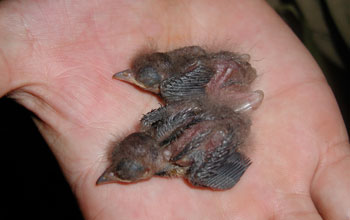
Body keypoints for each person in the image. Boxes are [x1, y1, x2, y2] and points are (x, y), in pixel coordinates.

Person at [0, 1, 349, 219]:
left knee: (203, 171)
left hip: (226, 99)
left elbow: (204, 114)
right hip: (223, 97)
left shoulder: (166, 121)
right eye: (122, 173)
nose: (108, 176)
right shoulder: (163, 116)